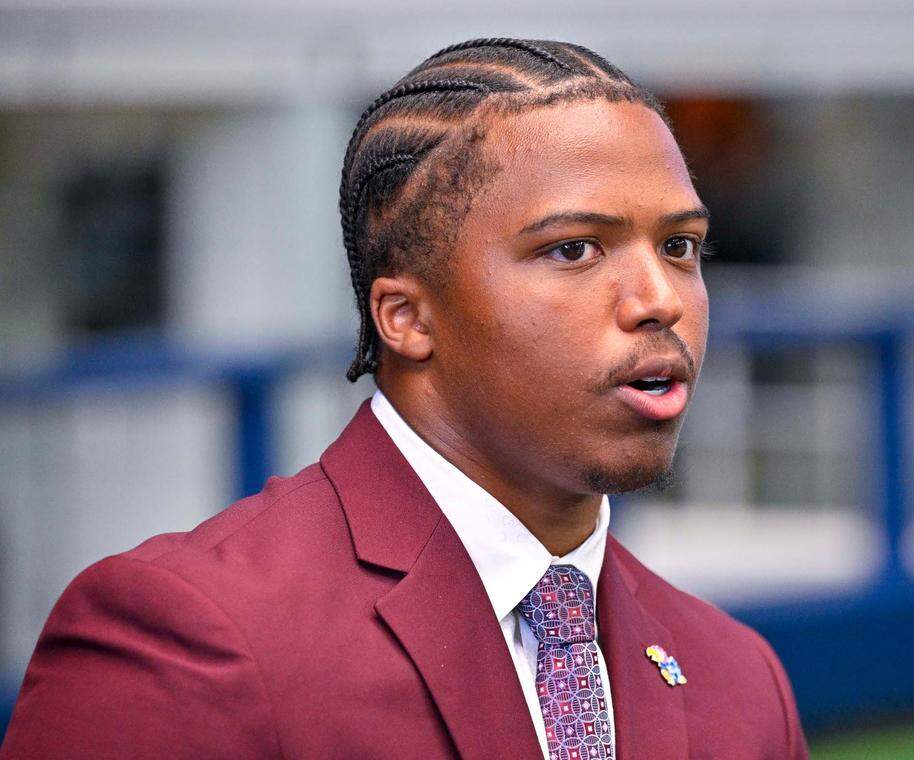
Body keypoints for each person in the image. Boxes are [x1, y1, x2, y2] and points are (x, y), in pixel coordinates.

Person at [0, 38, 808, 759]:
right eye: (574, 249)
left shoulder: (737, 676)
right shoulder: (189, 639)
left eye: (680, 246)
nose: (659, 298)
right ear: (407, 316)